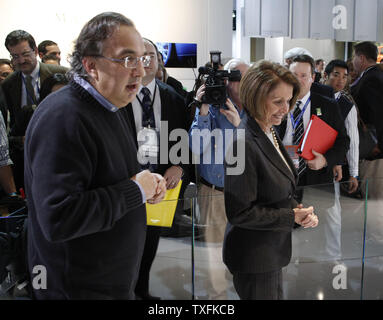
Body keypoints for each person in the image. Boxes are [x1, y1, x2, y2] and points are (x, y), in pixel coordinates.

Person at [24, 12, 167, 300]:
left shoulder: (113, 105)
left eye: (142, 59)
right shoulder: (64, 117)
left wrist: (145, 183)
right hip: (76, 287)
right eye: (127, 59)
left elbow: (112, 176)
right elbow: (59, 217)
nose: (139, 70)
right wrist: (135, 190)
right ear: (91, 65)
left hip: (109, 281)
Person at [223, 60, 318, 300]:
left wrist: (298, 210)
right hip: (254, 257)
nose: (285, 109)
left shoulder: (268, 130)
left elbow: (276, 189)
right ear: (255, 97)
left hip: (269, 252)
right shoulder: (242, 144)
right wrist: (291, 216)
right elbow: (239, 213)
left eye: (288, 101)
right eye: (277, 101)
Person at [124, 38, 190, 300]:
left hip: (161, 185)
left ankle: (142, 291)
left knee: (151, 241)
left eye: (150, 55)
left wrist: (179, 165)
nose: (146, 61)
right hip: (127, 181)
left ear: (158, 60)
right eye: (139, 56)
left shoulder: (173, 97)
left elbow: (184, 136)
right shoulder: (120, 96)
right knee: (126, 242)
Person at [189, 58, 249, 299]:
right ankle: (218, 298)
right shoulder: (211, 108)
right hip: (214, 191)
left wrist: (239, 124)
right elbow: (194, 146)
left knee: (246, 248)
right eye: (232, 77)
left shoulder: (257, 109)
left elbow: (262, 147)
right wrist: (202, 110)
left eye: (240, 77)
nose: (236, 82)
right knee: (214, 250)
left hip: (246, 192)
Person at [2, 30, 67, 190]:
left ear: (36, 51)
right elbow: (10, 128)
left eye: (25, 54)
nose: (21, 60)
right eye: (15, 56)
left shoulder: (62, 74)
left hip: (64, 148)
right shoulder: (8, 84)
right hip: (31, 156)